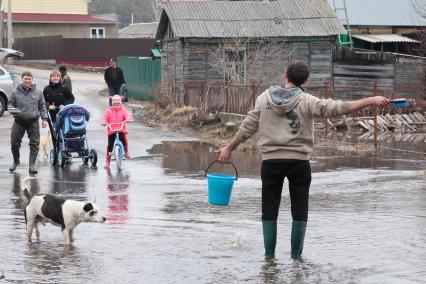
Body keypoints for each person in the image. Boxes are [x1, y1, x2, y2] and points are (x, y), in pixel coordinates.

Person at [216, 62, 390, 260]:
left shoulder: (263, 99)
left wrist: (229, 148)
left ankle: (269, 258)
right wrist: (371, 99)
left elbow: (248, 126)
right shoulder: (307, 100)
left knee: (269, 209)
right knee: (299, 209)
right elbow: (339, 108)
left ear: (285, 74)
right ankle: (296, 259)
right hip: (299, 162)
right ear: (306, 81)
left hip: (271, 163)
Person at [8, 71, 48, 174]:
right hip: (19, 121)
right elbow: (10, 105)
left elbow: (42, 105)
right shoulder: (15, 92)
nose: (27, 81)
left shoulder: (38, 92)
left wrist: (44, 119)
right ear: (22, 79)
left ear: (32, 80)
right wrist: (15, 112)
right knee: (14, 144)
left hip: (33, 121)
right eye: (25, 79)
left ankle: (32, 165)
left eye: (29, 79)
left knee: (34, 144)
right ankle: (16, 161)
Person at [43, 70, 75, 146]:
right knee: (55, 135)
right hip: (52, 115)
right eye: (53, 76)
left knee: (64, 133)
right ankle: (56, 152)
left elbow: (72, 99)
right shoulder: (46, 88)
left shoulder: (64, 88)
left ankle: (65, 149)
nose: (55, 78)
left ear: (60, 78)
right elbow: (43, 101)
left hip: (63, 114)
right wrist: (49, 106)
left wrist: (64, 105)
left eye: (57, 76)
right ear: (50, 78)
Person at [102, 95, 132, 168]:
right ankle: (107, 161)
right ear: (112, 105)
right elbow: (105, 118)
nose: (116, 106)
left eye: (118, 104)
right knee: (110, 145)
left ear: (120, 104)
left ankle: (126, 151)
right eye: (114, 105)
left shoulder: (123, 110)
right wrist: (104, 122)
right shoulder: (109, 111)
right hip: (111, 130)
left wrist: (128, 119)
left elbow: (127, 115)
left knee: (124, 140)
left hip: (121, 129)